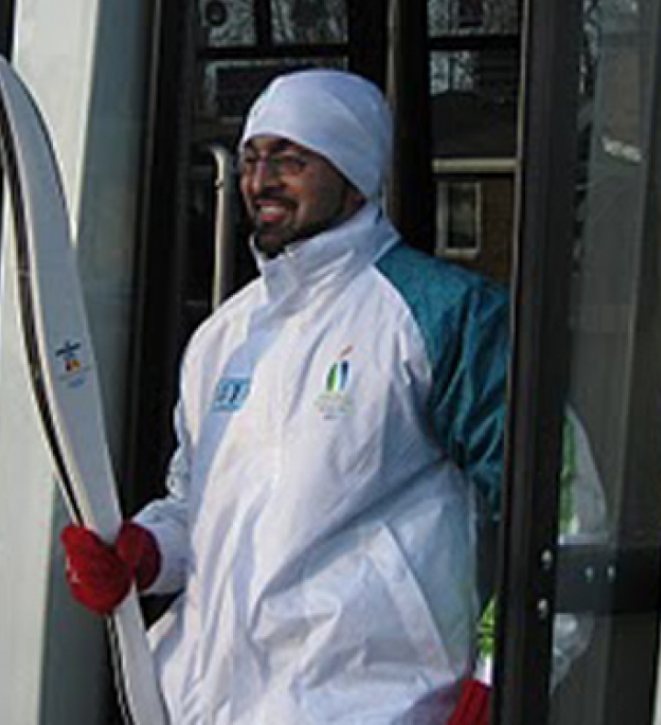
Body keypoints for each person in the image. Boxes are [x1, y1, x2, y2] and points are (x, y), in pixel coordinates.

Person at [62, 69, 508, 724]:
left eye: (290, 160)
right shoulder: (225, 336)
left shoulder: (442, 315)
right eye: (250, 158)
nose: (259, 180)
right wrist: (144, 553)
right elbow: (196, 508)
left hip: (376, 707)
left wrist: (499, 674)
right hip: (205, 706)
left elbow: (556, 508)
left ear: (354, 174)